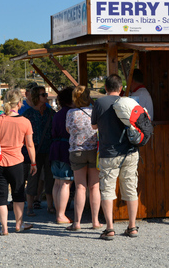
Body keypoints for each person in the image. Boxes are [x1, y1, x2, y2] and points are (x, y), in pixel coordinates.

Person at [91, 74, 140, 240]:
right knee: (130, 188)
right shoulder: (129, 102)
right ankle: (132, 227)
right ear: (120, 88)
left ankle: (110, 228)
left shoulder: (99, 103)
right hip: (130, 152)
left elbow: (94, 126)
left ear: (105, 88)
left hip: (109, 152)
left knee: (107, 190)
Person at [0, 88, 37, 235]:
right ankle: (19, 224)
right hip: (17, 163)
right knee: (18, 194)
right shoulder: (25, 122)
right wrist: (33, 163)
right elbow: (29, 145)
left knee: (0, 196)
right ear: (20, 103)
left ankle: (4, 228)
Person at [66, 86, 101, 231]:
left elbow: (68, 129)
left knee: (80, 187)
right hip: (93, 151)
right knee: (94, 186)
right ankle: (95, 221)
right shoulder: (94, 112)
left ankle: (77, 223)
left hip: (77, 151)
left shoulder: (70, 113)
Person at [23, 86, 56, 216]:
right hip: (34, 151)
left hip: (48, 150)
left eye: (46, 94)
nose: (46, 96)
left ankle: (50, 206)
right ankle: (29, 207)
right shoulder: (28, 114)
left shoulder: (50, 113)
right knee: (32, 179)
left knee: (49, 178)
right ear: (37, 96)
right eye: (43, 94)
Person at [49, 86, 74, 224]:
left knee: (57, 182)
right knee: (66, 182)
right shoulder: (71, 113)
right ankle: (61, 214)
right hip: (65, 148)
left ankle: (59, 212)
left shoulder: (57, 114)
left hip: (55, 148)